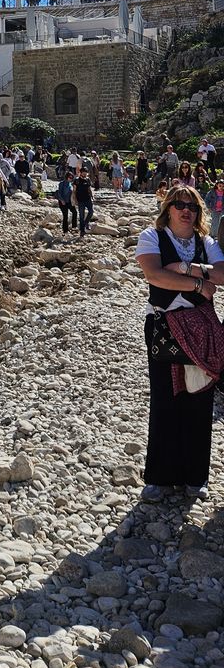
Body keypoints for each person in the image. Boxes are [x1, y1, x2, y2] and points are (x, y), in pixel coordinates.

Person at [136, 187, 224, 500]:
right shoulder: (151, 236)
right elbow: (156, 275)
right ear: (168, 208)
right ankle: (160, 478)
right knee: (164, 398)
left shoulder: (206, 242)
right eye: (179, 205)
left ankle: (194, 477)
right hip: (163, 325)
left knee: (199, 399)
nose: (186, 210)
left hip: (200, 328)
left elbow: (223, 274)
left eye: (192, 206)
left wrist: (186, 268)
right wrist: (200, 283)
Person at [74, 169, 94, 237]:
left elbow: (89, 189)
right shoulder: (77, 180)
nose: (85, 174)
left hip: (88, 199)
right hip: (80, 200)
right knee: (81, 215)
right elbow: (74, 191)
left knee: (91, 212)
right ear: (81, 173)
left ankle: (86, 223)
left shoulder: (88, 179)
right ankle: (82, 231)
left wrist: (92, 197)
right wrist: (75, 199)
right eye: (84, 173)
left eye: (86, 173)